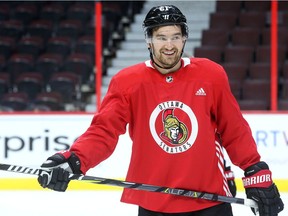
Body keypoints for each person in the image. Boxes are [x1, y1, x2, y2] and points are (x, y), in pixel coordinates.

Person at [38, 5, 284, 216]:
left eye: (176, 37)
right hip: (153, 200)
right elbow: (104, 131)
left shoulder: (210, 74)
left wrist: (254, 168)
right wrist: (75, 160)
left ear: (184, 39)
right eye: (161, 37)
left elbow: (234, 128)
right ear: (149, 40)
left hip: (209, 199)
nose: (169, 45)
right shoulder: (128, 82)